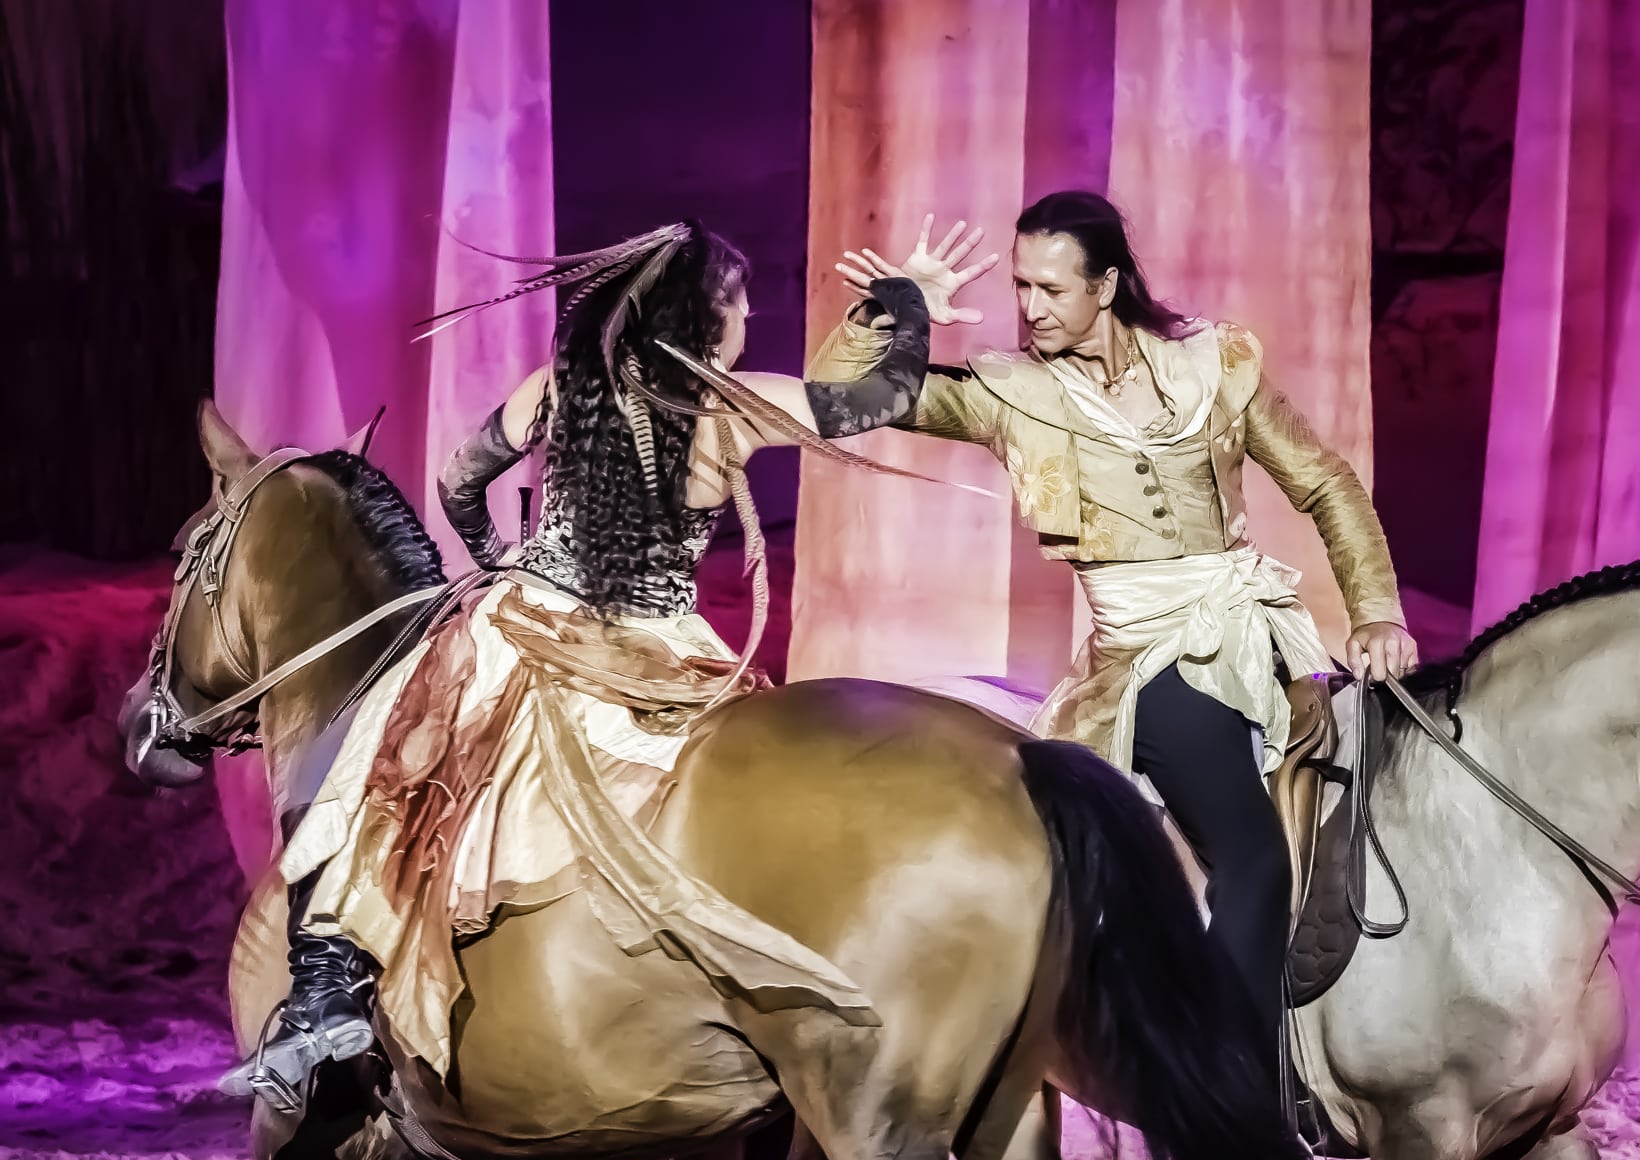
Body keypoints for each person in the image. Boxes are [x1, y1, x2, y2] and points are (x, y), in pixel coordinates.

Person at [222, 221, 934, 1110]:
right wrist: (906, 303)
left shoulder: (560, 388)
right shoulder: (736, 406)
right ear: (708, 314)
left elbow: (455, 481)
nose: (752, 314)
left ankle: (325, 995)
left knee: (384, 771)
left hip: (533, 622)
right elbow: (890, 395)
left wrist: (490, 556)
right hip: (667, 649)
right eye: (742, 300)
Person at [817, 191, 1416, 1109]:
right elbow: (843, 406)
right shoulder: (1012, 395)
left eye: (1051, 287)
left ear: (1108, 284)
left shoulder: (1214, 366)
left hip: (1254, 637)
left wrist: (1378, 610)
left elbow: (1327, 483)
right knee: (1254, 860)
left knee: (1359, 797)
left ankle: (1360, 1037)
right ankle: (1226, 1097)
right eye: (1021, 286)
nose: (1030, 306)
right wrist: (898, 305)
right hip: (1145, 658)